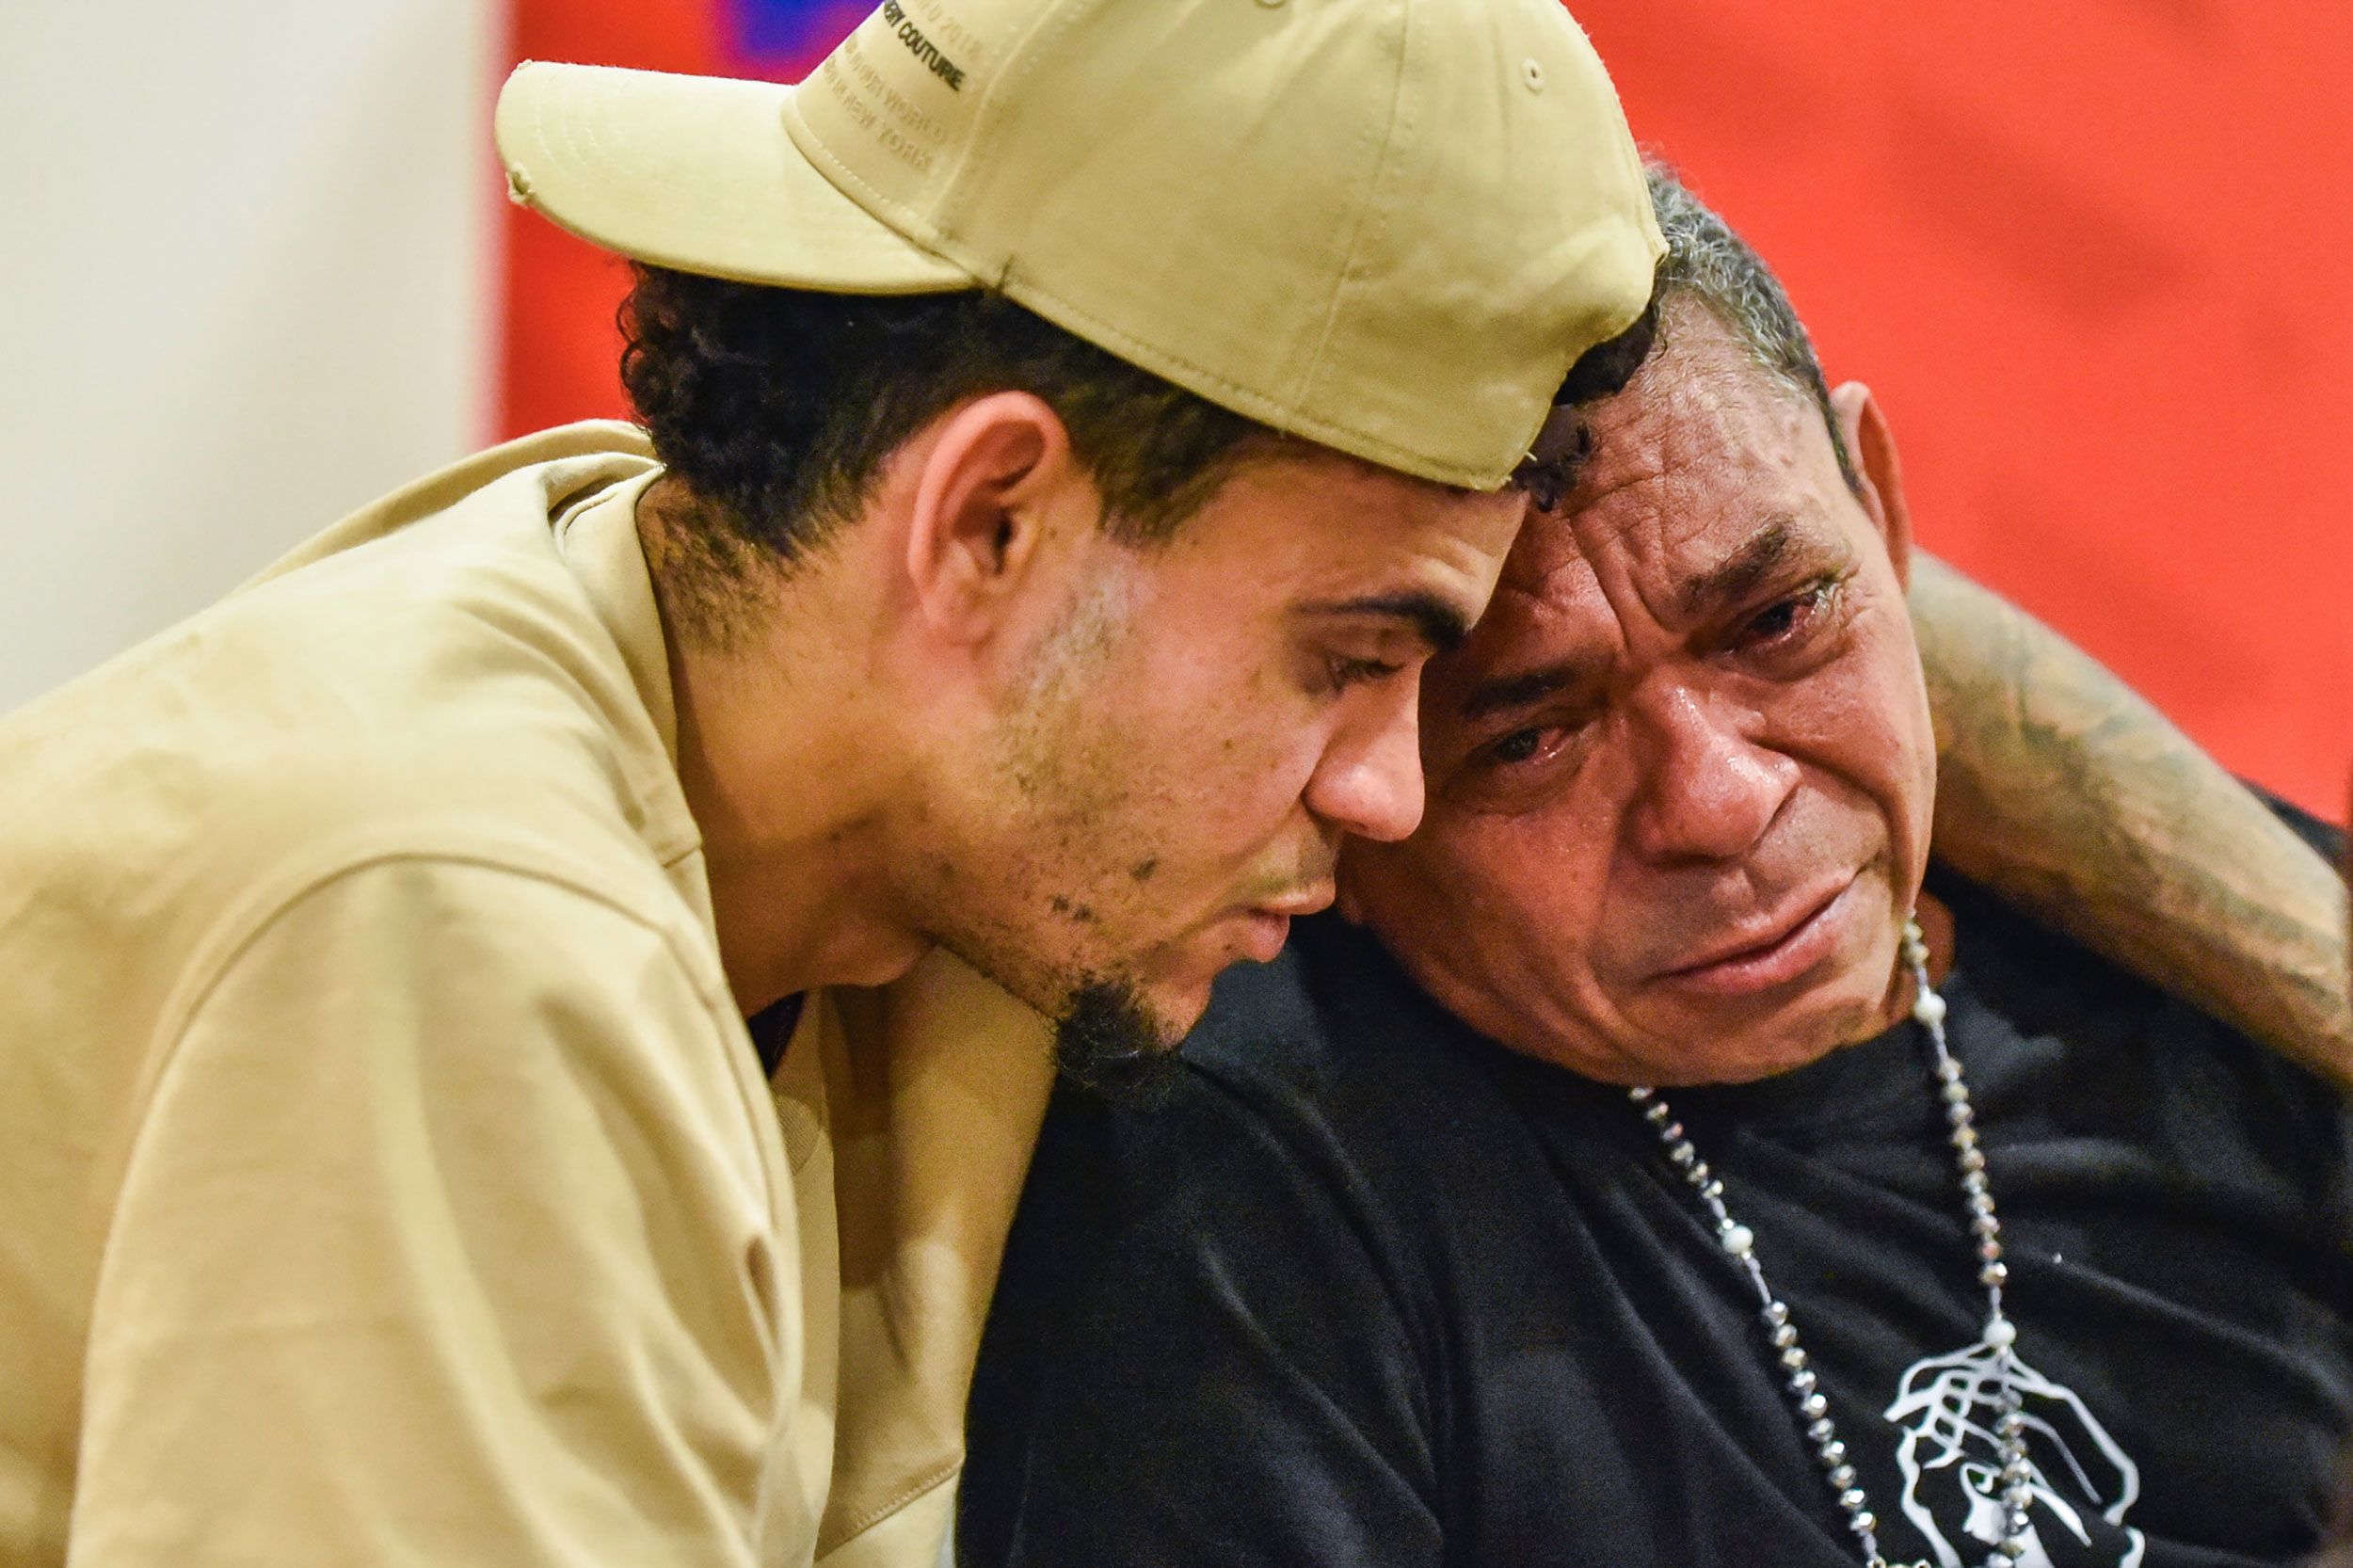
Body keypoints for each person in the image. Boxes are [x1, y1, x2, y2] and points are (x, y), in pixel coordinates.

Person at [960, 168, 2353, 1568]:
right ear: (1357, 747)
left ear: (1880, 505)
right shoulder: (1242, 1203)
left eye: (1778, 618)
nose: (1722, 799)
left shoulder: (2238, 975)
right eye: (1531, 736)